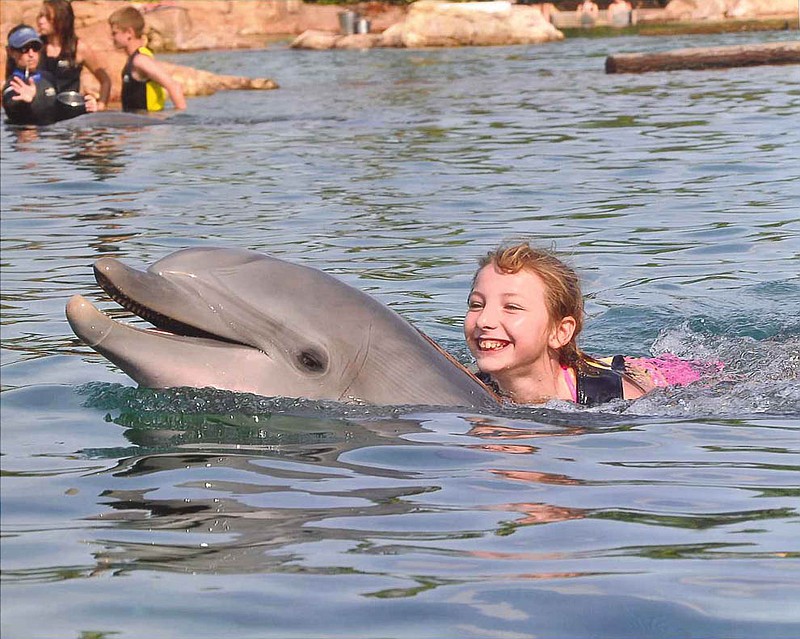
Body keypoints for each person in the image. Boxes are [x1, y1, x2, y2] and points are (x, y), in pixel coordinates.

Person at [464, 242, 716, 406]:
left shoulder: (612, 396)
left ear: (560, 332)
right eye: (476, 304)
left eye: (511, 307)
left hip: (670, 375)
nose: (484, 320)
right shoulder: (465, 385)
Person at [3, 24, 97, 125]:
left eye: (35, 48)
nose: (31, 54)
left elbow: (60, 111)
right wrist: (26, 103)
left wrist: (85, 106)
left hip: (52, 136)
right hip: (29, 136)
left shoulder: (47, 77)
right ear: (11, 52)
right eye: (24, 49)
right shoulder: (14, 84)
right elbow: (12, 105)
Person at [107, 5, 186, 112]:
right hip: (136, 124)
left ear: (129, 33)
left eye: (114, 33)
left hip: (148, 125)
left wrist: (180, 118)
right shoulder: (133, 58)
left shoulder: (140, 60)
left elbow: (173, 86)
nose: (112, 37)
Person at [36, 0, 111, 110]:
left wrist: (101, 105)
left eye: (47, 17)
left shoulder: (78, 48)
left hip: (70, 113)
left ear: (61, 20)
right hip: (43, 113)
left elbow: (105, 80)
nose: (41, 21)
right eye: (40, 16)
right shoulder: (36, 48)